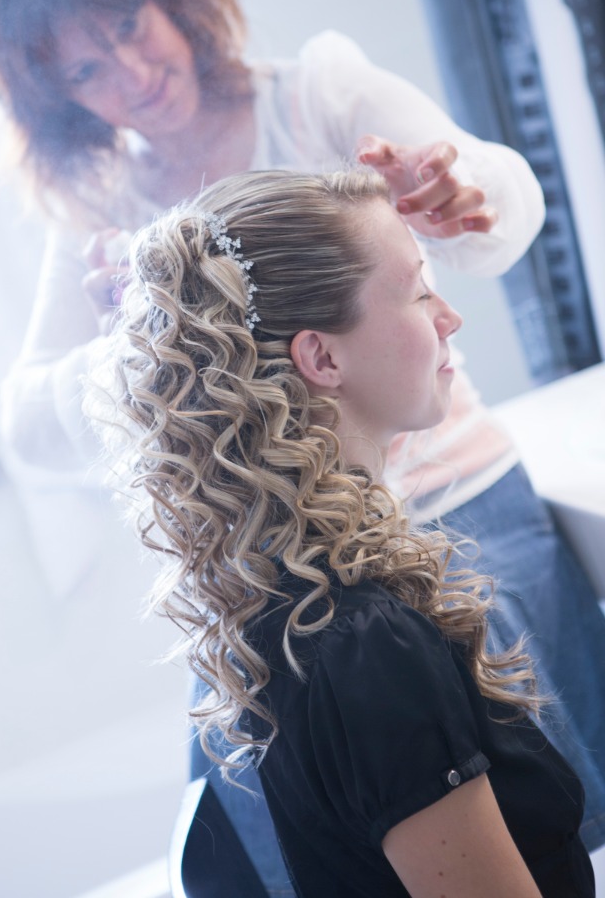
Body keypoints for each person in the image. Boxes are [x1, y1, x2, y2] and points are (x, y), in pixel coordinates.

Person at [0, 0, 605, 887]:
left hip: (456, 505)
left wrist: (461, 195)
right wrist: (144, 324)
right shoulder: (100, 217)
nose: (132, 73)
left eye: (129, 26)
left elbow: (506, 195)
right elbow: (30, 428)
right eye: (88, 69)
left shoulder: (316, 94)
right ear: (60, 100)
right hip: (291, 562)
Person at [85, 165, 595, 897]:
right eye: (419, 290)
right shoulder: (366, 648)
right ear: (322, 357)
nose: (448, 316)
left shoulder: (285, 601)